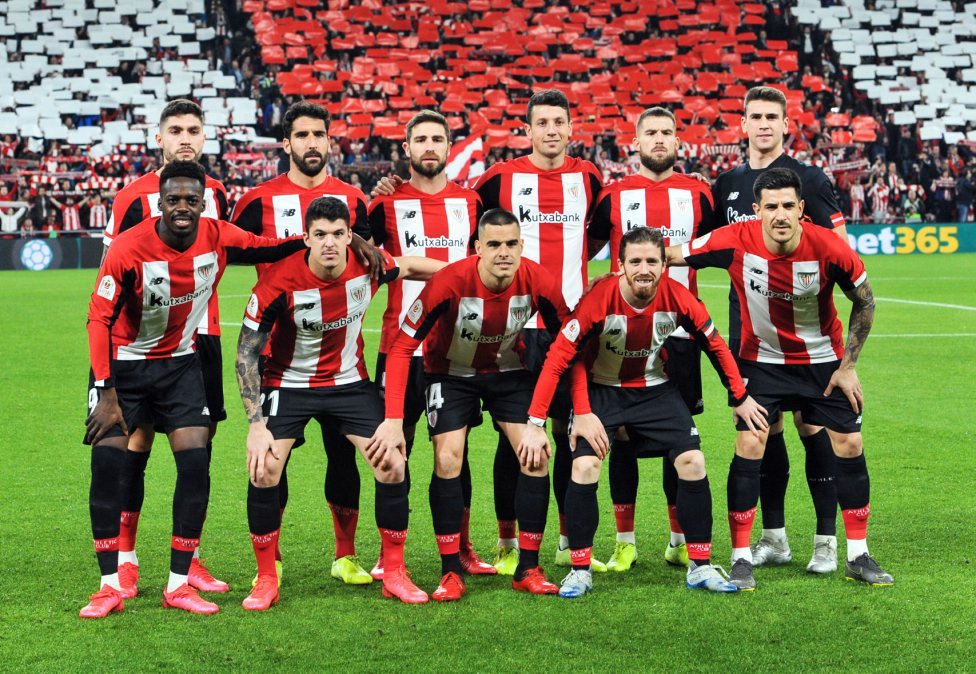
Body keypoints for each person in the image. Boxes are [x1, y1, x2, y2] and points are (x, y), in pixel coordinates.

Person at [81, 161, 306, 618]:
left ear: (203, 203)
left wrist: (328, 238)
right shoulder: (128, 249)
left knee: (196, 461)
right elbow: (97, 317)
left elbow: (268, 247)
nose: (182, 207)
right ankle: (108, 584)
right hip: (123, 368)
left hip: (180, 365)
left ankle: (179, 583)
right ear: (159, 203)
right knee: (108, 462)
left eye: (191, 200)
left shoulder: (217, 233)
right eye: (173, 199)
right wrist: (104, 391)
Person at [669, 167, 893, 590]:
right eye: (771, 206)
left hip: (822, 360)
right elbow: (674, 254)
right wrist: (633, 267)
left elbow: (865, 301)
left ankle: (857, 554)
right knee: (751, 441)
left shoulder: (828, 247)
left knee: (849, 442)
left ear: (802, 209)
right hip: (761, 362)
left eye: (789, 205)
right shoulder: (733, 239)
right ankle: (739, 558)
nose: (780, 214)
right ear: (756, 211)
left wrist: (848, 366)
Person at [520, 227, 767, 597]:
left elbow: (715, 346)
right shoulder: (598, 299)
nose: (644, 269)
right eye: (635, 261)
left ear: (665, 265)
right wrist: (540, 422)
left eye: (652, 261)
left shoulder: (678, 298)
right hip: (602, 393)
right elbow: (559, 358)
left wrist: (740, 396)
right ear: (620, 266)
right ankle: (580, 569)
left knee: (693, 462)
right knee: (584, 466)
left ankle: (700, 565)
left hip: (655, 390)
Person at [236, 197, 444, 609]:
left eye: (337, 234)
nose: (329, 243)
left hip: (349, 384)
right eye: (320, 235)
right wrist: (256, 426)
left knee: (391, 463)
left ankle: (395, 571)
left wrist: (466, 272)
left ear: (350, 235)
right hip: (288, 383)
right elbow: (245, 355)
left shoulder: (369, 265)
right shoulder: (276, 283)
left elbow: (416, 265)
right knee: (264, 470)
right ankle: (265, 577)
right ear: (307, 238)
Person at [369, 209, 570, 601]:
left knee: (536, 455)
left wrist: (551, 414)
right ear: (477, 248)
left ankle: (528, 566)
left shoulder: (540, 280)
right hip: (449, 373)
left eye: (511, 243)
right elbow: (402, 347)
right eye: (493, 244)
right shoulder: (449, 281)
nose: (503, 252)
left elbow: (568, 343)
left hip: (508, 371)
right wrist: (394, 420)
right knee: (448, 458)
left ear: (521, 245)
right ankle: (449, 571)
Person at [231, 100, 378, 587]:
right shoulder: (255, 201)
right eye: (302, 135)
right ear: (287, 143)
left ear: (329, 141)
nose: (312, 143)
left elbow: (373, 258)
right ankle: (269, 564)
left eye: (320, 134)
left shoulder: (353, 200)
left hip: (340, 358)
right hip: (277, 359)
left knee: (343, 455)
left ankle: (345, 555)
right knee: (274, 460)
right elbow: (226, 251)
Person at [709, 86, 849, 574]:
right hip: (748, 339)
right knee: (761, 434)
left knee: (815, 430)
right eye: (755, 116)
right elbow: (713, 247)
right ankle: (773, 538)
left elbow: (838, 249)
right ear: (742, 125)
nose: (764, 124)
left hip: (807, 342)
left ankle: (827, 541)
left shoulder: (808, 178)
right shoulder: (727, 182)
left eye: (773, 117)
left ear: (786, 125)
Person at [99, 99, 231, 599]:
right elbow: (107, 275)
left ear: (205, 137)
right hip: (144, 345)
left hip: (204, 337)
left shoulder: (217, 193)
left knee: (198, 446)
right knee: (137, 443)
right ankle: (127, 556)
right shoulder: (132, 197)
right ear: (159, 137)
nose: (185, 138)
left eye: (194, 130)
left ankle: (189, 558)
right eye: (175, 129)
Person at [473, 89, 605, 572]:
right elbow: (468, 219)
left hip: (569, 327)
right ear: (526, 130)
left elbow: (594, 235)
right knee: (515, 437)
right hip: (515, 329)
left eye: (559, 122)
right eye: (541, 123)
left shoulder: (588, 176)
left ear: (572, 129)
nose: (551, 130)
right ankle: (508, 543)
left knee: (570, 434)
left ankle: (568, 540)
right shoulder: (500, 178)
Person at [586, 106, 718, 572]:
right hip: (621, 331)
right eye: (651, 133)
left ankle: (679, 539)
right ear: (635, 142)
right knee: (619, 436)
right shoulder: (612, 195)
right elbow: (586, 249)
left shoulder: (700, 193)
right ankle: (625, 541)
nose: (659, 140)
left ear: (678, 141)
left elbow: (721, 244)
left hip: (679, 332)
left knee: (679, 437)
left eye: (667, 132)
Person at [367, 110, 494, 579]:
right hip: (397, 347)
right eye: (419, 139)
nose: (428, 146)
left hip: (454, 349)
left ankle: (461, 547)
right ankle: (387, 552)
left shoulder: (472, 203)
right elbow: (369, 261)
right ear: (406, 148)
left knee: (453, 454)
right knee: (391, 452)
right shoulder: (384, 205)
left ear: (448, 146)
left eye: (437, 139)